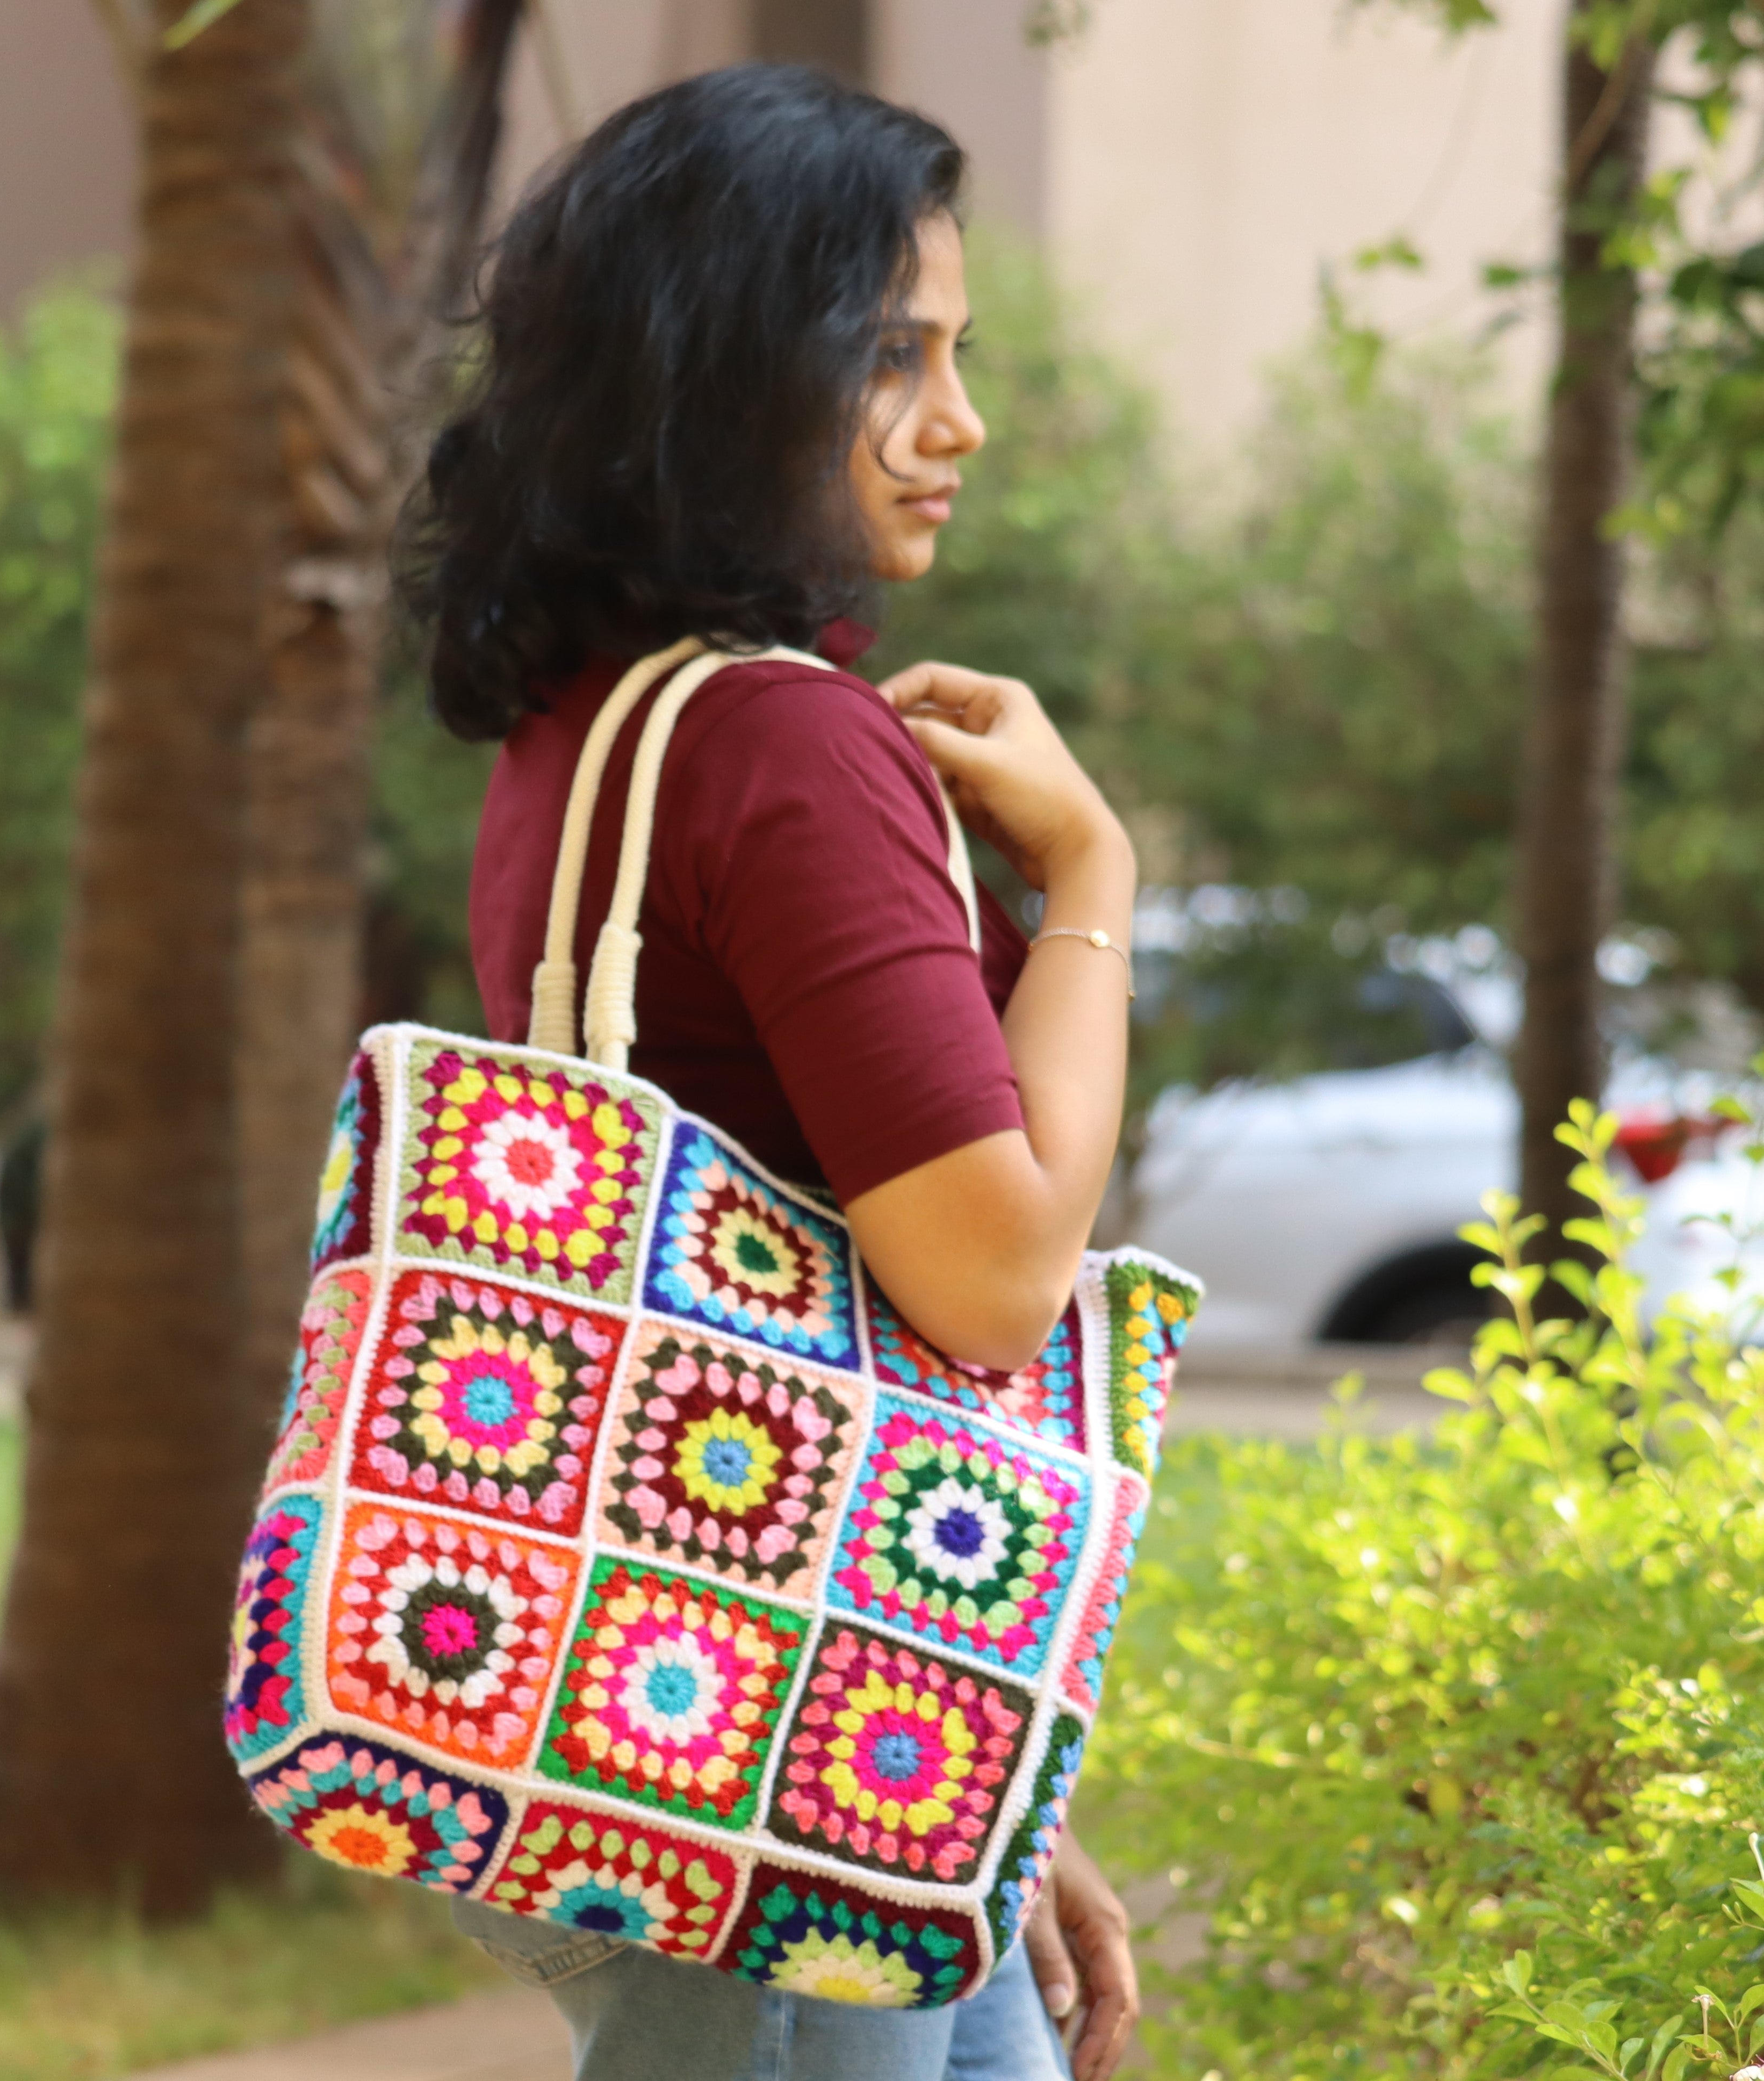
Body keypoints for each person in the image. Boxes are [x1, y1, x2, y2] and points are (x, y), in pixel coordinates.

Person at [393, 61, 1142, 2081]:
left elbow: (767, 1265)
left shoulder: (586, 727)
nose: (959, 422)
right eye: (893, 355)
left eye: (959, 353)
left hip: (703, 1671)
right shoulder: (790, 748)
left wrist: (1000, 1783)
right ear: (718, 369)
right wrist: (1090, 873)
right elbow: (991, 1278)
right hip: (780, 1727)